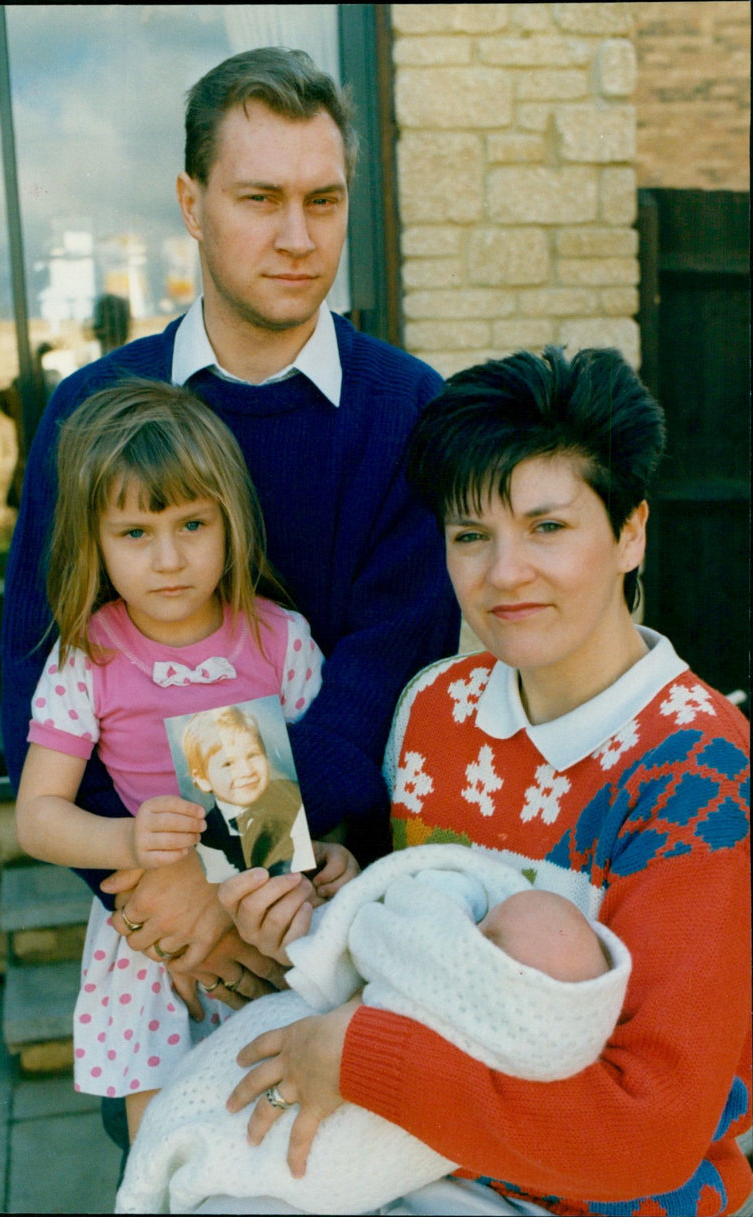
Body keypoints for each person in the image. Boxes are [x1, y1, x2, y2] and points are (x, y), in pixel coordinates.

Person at [211, 346, 751, 1217]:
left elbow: (654, 1132)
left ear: (631, 531)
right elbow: (403, 932)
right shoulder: (436, 703)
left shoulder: (700, 772)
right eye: (471, 536)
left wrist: (359, 1059)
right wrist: (324, 897)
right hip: (402, 1156)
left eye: (547, 527)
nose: (504, 573)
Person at [0, 44, 459, 1017]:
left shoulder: (410, 413)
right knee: (162, 1163)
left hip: (333, 905)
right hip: (150, 930)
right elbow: (40, 677)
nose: (297, 235)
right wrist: (164, 901)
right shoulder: (94, 411)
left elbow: (377, 680)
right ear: (190, 203)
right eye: (259, 199)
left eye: (322, 201)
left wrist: (230, 878)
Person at [13, 379, 355, 1144]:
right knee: (163, 1148)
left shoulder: (279, 641)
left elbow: (305, 803)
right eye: (135, 533)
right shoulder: (91, 656)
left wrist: (332, 853)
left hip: (276, 926)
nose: (169, 559)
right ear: (93, 540)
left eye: (192, 523)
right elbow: (37, 816)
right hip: (152, 956)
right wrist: (125, 841)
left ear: (230, 520)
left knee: (280, 1133)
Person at [114, 841, 631, 1214]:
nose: (467, 925)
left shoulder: (507, 1039)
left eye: (485, 935)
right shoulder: (429, 706)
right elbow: (369, 947)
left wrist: (361, 1051)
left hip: (350, 1168)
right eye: (481, 921)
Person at [181, 705, 312, 876]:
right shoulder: (207, 833)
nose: (246, 771)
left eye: (253, 755)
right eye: (228, 764)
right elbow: (223, 884)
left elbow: (307, 862)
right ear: (203, 780)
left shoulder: (290, 797)